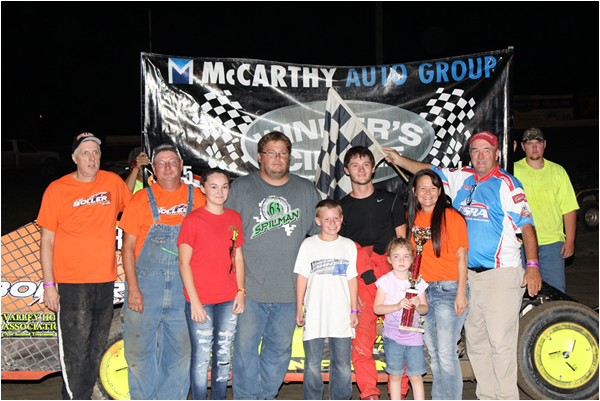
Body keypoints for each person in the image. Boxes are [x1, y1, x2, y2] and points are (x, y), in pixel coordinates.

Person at [384, 130, 542, 399]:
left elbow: (526, 226)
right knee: (477, 344)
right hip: (467, 276)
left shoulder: (508, 184)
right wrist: (399, 160)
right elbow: (429, 172)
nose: (480, 156)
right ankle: (486, 396)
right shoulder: (462, 177)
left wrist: (533, 265)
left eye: (486, 150)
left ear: (497, 153)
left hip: (500, 275)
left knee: (500, 344)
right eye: (476, 151)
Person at [226, 131, 322, 400]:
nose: (278, 158)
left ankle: (265, 397)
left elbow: (320, 239)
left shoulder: (305, 190)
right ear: (260, 157)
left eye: (283, 153)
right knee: (244, 351)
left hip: (289, 292)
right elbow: (226, 237)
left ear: (289, 157)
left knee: (278, 352)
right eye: (271, 152)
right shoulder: (241, 188)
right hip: (249, 291)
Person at [37, 132, 132, 399]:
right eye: (85, 153)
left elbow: (136, 209)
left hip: (104, 281)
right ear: (74, 158)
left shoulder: (112, 182)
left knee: (95, 347)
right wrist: (49, 285)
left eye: (95, 152)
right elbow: (46, 241)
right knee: (75, 350)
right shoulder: (57, 189)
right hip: (71, 283)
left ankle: (84, 395)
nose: (91, 158)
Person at [118, 143, 206, 400]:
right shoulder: (140, 199)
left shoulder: (198, 198)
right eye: (161, 163)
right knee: (138, 353)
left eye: (172, 162)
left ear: (181, 167)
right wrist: (133, 289)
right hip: (145, 289)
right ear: (153, 170)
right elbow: (128, 248)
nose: (167, 167)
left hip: (184, 290)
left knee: (179, 354)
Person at [338, 146, 407, 401]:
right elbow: (343, 253)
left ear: (374, 168)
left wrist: (405, 281)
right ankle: (369, 393)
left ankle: (399, 390)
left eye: (366, 164)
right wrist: (350, 290)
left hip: (392, 276)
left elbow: (404, 243)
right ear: (346, 171)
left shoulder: (391, 200)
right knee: (362, 339)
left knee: (401, 336)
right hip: (361, 277)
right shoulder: (341, 208)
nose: (361, 169)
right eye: (355, 165)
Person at [177, 168, 246, 400]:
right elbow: (184, 263)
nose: (220, 191)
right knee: (201, 357)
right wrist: (195, 302)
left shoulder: (234, 218)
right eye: (214, 186)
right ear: (203, 189)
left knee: (224, 354)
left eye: (224, 186)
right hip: (201, 300)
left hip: (228, 299)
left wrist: (240, 290)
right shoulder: (193, 220)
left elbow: (237, 256)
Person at [405, 169, 469, 400]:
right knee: (434, 352)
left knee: (446, 352)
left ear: (440, 191)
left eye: (433, 188)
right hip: (423, 293)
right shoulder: (411, 219)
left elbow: (462, 257)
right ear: (414, 192)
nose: (428, 193)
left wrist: (461, 293)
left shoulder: (452, 217)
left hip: (448, 289)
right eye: (422, 188)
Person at [294, 199, 359, 400]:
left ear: (342, 219)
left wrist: (354, 310)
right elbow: (302, 277)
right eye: (327, 219)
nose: (332, 223)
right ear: (318, 221)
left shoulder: (348, 245)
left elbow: (352, 278)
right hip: (314, 313)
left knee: (342, 365)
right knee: (312, 364)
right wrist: (299, 308)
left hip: (341, 315)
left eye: (336, 218)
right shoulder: (308, 244)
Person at [514, 127, 579, 293]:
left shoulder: (558, 171)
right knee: (519, 292)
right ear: (522, 146)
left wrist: (570, 239)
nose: (534, 147)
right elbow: (492, 176)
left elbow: (569, 207)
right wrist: (507, 153)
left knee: (556, 292)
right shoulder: (512, 170)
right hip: (520, 243)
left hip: (552, 243)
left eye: (538, 143)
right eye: (530, 143)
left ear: (544, 145)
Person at [374, 238, 428, 401]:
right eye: (396, 256)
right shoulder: (385, 281)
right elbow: (377, 308)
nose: (402, 260)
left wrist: (418, 305)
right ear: (389, 260)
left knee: (416, 376)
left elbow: (425, 309)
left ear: (413, 260)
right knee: (395, 376)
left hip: (414, 337)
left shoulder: (418, 281)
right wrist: (397, 306)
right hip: (393, 336)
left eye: (406, 256)